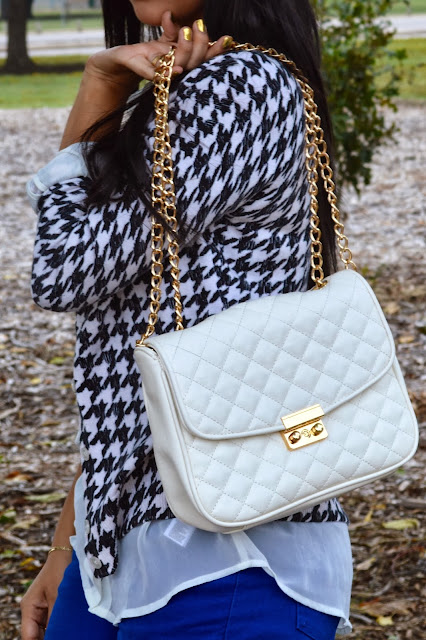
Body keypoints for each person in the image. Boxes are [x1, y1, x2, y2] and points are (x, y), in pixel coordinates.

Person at [21, 1, 353, 638]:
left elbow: (63, 271)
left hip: (232, 565)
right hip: (118, 557)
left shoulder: (242, 86)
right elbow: (145, 361)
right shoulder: (190, 91)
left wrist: (99, 85)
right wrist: (70, 541)